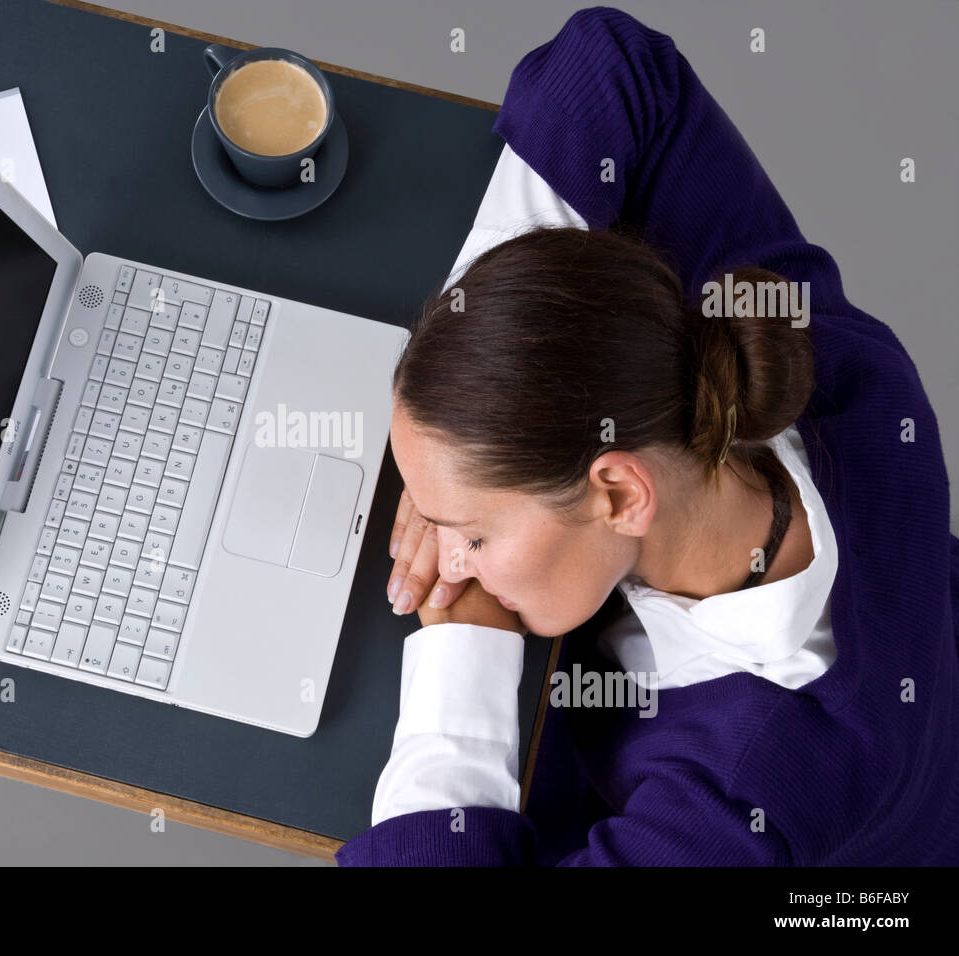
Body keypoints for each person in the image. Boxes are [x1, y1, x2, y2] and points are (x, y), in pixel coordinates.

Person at [335, 6, 959, 866]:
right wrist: (487, 348)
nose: (441, 555)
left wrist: (460, 666)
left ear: (621, 490)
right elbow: (611, 65)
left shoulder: (754, 789)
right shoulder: (785, 348)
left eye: (472, 534)